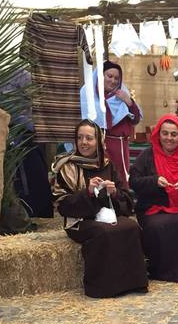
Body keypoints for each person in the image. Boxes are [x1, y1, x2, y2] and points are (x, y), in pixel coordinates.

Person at [51, 119, 148, 298]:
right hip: (79, 221)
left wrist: (114, 193)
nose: (84, 142)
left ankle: (132, 283)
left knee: (131, 226)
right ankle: (103, 288)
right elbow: (63, 205)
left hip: (107, 215)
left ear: (98, 141)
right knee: (103, 232)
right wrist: (87, 193)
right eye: (80, 138)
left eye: (89, 138)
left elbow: (127, 200)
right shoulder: (66, 167)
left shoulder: (106, 164)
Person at [129, 115, 178, 284]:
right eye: (165, 133)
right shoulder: (147, 155)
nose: (169, 138)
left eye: (173, 134)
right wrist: (154, 181)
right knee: (156, 225)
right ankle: (157, 270)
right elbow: (133, 181)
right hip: (152, 208)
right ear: (158, 134)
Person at [80, 60, 142, 186]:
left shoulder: (121, 96)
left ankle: (120, 205)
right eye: (109, 76)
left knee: (119, 181)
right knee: (98, 180)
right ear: (100, 76)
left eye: (117, 78)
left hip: (118, 147)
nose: (113, 81)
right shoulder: (88, 95)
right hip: (96, 147)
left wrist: (128, 102)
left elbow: (135, 119)